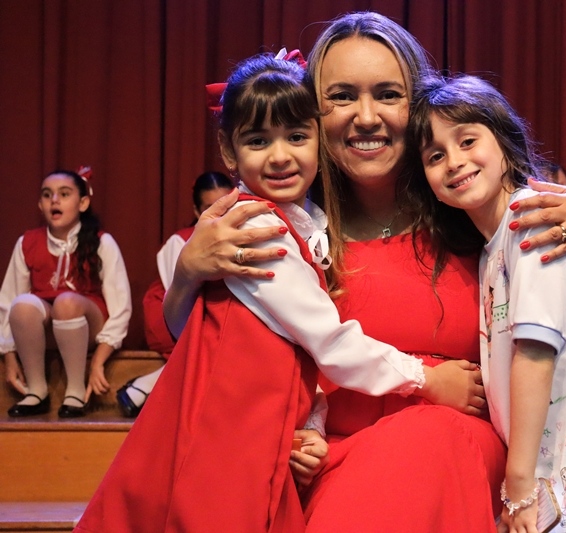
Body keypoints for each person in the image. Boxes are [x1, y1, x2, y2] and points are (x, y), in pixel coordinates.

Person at [164, 12, 566, 531]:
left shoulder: (472, 203)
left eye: (387, 94)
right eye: (341, 96)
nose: (366, 117)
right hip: (328, 465)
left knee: (426, 440)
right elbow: (207, 345)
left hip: (456, 457)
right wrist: (187, 276)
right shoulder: (287, 226)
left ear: (418, 104)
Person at [75, 50, 481, 533]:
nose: (281, 155)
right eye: (258, 140)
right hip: (232, 433)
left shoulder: (302, 224)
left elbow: (292, 355)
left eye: (295, 136)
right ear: (229, 151)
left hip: (276, 436)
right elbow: (326, 344)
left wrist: (307, 427)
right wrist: (426, 379)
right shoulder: (257, 230)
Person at [409, 72, 566, 533]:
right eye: (435, 155)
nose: (454, 161)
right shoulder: (494, 243)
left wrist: (518, 484)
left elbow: (535, 352)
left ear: (505, 145)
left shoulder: (531, 220)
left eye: (467, 141)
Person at [1, 167, 132, 418]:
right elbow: (8, 301)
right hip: (47, 328)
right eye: (47, 195)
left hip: (87, 323)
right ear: (40, 205)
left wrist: (98, 360)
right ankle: (36, 390)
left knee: (66, 302)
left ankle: (75, 390)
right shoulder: (27, 242)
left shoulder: (101, 241)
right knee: (22, 304)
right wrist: (9, 356)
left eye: (64, 194)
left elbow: (121, 307)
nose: (54, 200)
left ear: (83, 203)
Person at [116, 171, 233, 417]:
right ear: (197, 211)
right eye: (210, 208)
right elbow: (182, 296)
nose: (220, 214)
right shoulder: (181, 241)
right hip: (172, 315)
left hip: (212, 313)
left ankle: (142, 388)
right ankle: (143, 388)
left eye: (226, 205)